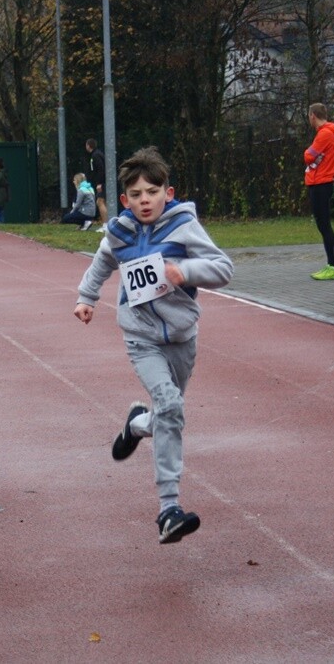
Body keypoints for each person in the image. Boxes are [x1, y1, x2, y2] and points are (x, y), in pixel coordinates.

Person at [73, 146, 233, 544]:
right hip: (140, 337)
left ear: (169, 192)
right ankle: (168, 509)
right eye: (137, 194)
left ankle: (137, 424)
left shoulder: (183, 226)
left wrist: (186, 271)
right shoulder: (119, 232)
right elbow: (101, 263)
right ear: (125, 200)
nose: (145, 200)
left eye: (152, 192)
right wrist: (86, 298)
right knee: (172, 405)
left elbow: (223, 268)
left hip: (182, 336)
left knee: (167, 411)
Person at [304, 103, 334, 280]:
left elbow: (308, 156)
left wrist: (309, 154)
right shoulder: (326, 133)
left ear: (313, 115)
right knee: (323, 224)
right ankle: (332, 264)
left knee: (324, 224)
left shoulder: (325, 134)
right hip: (319, 182)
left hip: (321, 183)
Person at [85, 138, 108, 228]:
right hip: (103, 182)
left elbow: (101, 169)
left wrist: (99, 183)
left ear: (88, 145)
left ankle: (106, 225)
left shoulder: (96, 155)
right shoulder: (95, 154)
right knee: (103, 202)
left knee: (100, 201)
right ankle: (107, 224)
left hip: (102, 183)